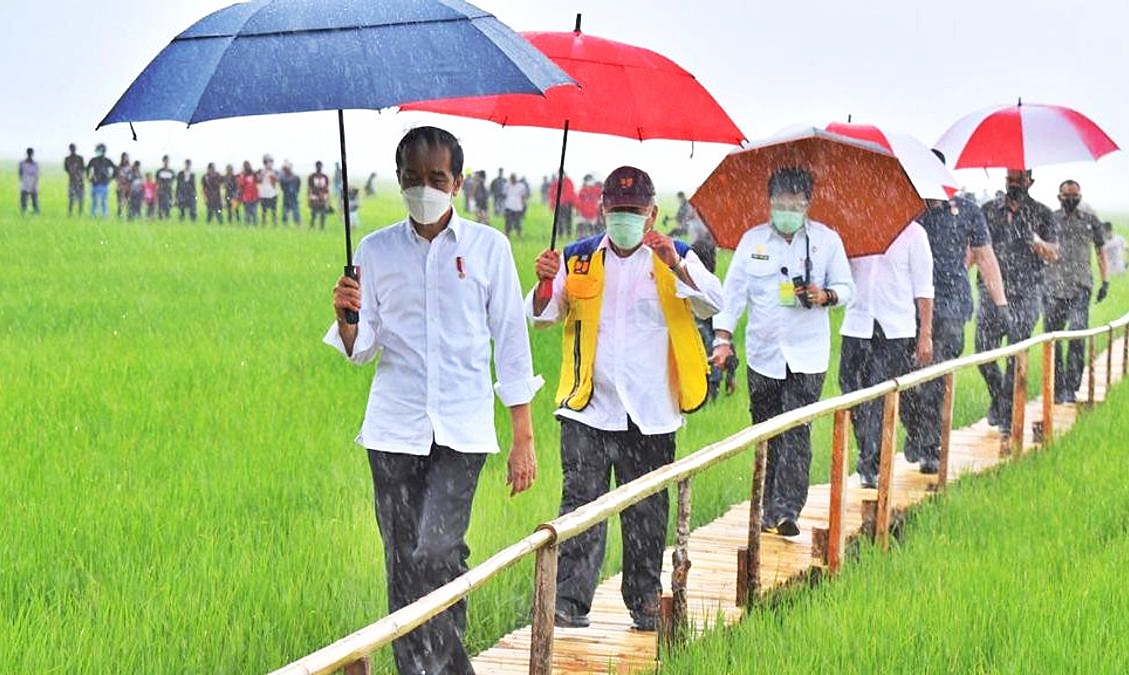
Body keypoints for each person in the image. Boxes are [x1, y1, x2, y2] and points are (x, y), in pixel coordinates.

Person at [327, 126, 540, 675]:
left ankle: (448, 669)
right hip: (393, 430)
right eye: (413, 179)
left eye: (436, 178)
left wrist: (524, 437)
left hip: (462, 431)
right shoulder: (374, 252)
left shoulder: (488, 249)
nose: (424, 188)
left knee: (438, 551)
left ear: (459, 182)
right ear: (398, 181)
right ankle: (416, 671)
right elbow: (362, 350)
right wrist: (347, 317)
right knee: (402, 563)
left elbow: (512, 344)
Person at [528, 165, 722, 632]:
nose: (625, 220)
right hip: (588, 406)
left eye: (635, 212)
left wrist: (676, 263)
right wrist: (543, 282)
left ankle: (644, 600)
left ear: (652, 213)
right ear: (603, 210)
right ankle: (568, 602)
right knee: (581, 506)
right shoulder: (577, 259)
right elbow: (541, 317)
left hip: (652, 411)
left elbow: (713, 302)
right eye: (617, 211)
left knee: (648, 511)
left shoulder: (676, 256)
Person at [710, 167, 854, 537]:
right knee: (766, 431)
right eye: (780, 204)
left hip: (808, 355)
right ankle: (765, 504)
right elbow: (733, 295)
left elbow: (847, 287)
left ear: (807, 204)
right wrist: (722, 340)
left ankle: (787, 508)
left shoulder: (826, 241)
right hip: (764, 354)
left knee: (795, 429)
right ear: (769, 202)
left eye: (794, 204)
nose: (786, 210)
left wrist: (826, 296)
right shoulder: (753, 243)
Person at [901, 154, 1009, 473]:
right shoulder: (905, 209)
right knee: (903, 377)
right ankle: (917, 430)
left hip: (951, 305)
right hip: (907, 306)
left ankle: (931, 446)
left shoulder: (967, 211)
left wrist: (1000, 303)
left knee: (935, 376)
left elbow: (985, 257)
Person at [839, 223, 934, 487]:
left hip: (894, 329)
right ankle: (868, 449)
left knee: (879, 394)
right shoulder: (856, 229)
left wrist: (925, 334)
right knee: (851, 392)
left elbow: (924, 289)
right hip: (857, 324)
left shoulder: (914, 235)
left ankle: (870, 464)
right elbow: (842, 276)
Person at [976, 169, 1058, 435]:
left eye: (1019, 179)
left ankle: (1007, 412)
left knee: (1016, 352)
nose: (1013, 184)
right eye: (1010, 179)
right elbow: (975, 248)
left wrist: (1034, 239)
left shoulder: (1043, 214)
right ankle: (1000, 398)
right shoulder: (988, 210)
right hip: (992, 292)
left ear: (1030, 182)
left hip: (1026, 292)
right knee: (983, 353)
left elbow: (1053, 254)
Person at [1044, 180, 1109, 403]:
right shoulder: (1050, 220)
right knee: (1053, 338)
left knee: (1077, 333)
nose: (1071, 199)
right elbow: (1040, 249)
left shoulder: (1090, 221)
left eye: (1075, 195)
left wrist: (1105, 281)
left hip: (1081, 286)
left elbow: (1100, 251)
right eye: (1067, 195)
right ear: (1059, 197)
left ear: (1080, 196)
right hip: (1054, 286)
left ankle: (1070, 386)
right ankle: (1055, 384)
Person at [86, 143, 115, 218]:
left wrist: (110, 178)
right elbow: (87, 168)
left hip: (104, 184)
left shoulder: (107, 161)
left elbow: (115, 169)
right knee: (94, 201)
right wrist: (89, 178)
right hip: (95, 184)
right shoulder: (93, 160)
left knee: (104, 201)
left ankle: (105, 215)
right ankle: (93, 215)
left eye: (99, 150)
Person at [547, 171, 576, 239]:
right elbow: (552, 195)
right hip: (558, 205)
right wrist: (552, 205)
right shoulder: (555, 183)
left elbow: (570, 193)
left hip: (567, 204)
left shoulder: (568, 182)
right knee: (559, 221)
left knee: (568, 220)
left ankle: (568, 234)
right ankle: (560, 234)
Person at [501, 172, 528, 238]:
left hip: (518, 207)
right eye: (512, 178)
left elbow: (524, 196)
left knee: (518, 223)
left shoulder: (521, 186)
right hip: (509, 206)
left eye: (514, 178)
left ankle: (519, 235)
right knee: (508, 223)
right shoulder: (507, 185)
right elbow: (504, 195)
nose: (513, 179)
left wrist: (524, 206)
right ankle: (507, 235)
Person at [307, 160, 330, 229]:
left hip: (323, 198)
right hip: (314, 197)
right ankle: (311, 226)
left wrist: (325, 197)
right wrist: (309, 198)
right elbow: (310, 188)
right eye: (317, 166)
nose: (319, 168)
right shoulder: (312, 176)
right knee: (313, 213)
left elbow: (326, 188)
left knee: (323, 214)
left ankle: (322, 228)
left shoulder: (325, 177)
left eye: (320, 166)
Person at [257, 154, 279, 225]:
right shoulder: (261, 171)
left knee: (274, 210)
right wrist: (263, 174)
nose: (270, 163)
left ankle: (274, 223)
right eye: (268, 162)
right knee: (264, 211)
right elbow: (258, 180)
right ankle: (263, 223)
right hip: (263, 194)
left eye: (271, 162)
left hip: (273, 194)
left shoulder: (275, 171)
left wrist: (274, 176)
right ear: (265, 162)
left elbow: (276, 181)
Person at [64, 143, 85, 216]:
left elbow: (83, 169)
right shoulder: (67, 159)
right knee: (71, 199)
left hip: (80, 182)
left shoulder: (80, 158)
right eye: (71, 148)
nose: (72, 150)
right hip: (72, 181)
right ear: (70, 149)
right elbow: (66, 169)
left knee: (80, 199)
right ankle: (70, 213)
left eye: (73, 148)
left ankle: (80, 213)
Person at [279, 160, 302, 225]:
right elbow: (282, 187)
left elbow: (298, 186)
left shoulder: (296, 177)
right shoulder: (283, 178)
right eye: (285, 169)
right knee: (285, 213)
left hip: (294, 197)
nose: (285, 170)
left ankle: (297, 225)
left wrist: (295, 192)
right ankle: (285, 226)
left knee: (296, 212)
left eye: (287, 169)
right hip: (286, 197)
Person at [18, 148, 39, 215]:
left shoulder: (35, 164)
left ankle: (35, 215)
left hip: (32, 185)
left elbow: (36, 176)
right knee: (24, 203)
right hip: (25, 185)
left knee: (34, 203)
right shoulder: (22, 163)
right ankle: (24, 216)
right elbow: (20, 174)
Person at [155, 156, 176, 220]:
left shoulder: (171, 171)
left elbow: (173, 181)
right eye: (165, 161)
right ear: (163, 161)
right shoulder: (159, 171)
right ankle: (160, 218)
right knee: (161, 205)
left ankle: (167, 217)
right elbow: (157, 182)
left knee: (168, 204)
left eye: (167, 161)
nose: (166, 162)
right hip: (161, 190)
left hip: (168, 190)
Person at [239, 161, 259, 225]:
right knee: (247, 213)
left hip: (254, 197)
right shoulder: (243, 176)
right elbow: (241, 186)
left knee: (254, 213)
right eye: (246, 166)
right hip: (246, 197)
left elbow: (258, 181)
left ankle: (255, 226)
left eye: (248, 165)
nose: (247, 167)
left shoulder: (254, 174)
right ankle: (247, 226)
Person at [115, 152, 133, 218]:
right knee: (120, 203)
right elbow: (116, 178)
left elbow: (132, 178)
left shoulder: (131, 168)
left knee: (129, 203)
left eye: (127, 157)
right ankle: (119, 216)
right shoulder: (118, 167)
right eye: (124, 157)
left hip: (128, 188)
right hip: (120, 188)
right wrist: (119, 185)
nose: (126, 159)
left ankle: (129, 216)